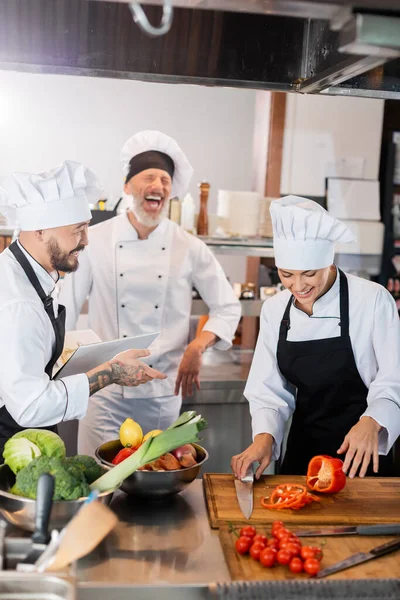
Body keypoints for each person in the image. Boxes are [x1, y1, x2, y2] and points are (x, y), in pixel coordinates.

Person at [59, 131, 241, 455]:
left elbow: (228, 306)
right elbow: (65, 309)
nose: (158, 185)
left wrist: (198, 346)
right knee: (97, 483)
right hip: (105, 393)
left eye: (164, 178)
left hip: (162, 391)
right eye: (148, 176)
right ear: (128, 186)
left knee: (157, 481)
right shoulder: (94, 240)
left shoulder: (189, 246)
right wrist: (60, 371)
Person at [0, 160, 166, 458]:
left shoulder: (28, 273)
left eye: (87, 228)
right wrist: (111, 372)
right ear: (39, 230)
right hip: (10, 445)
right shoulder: (19, 303)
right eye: (78, 231)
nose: (86, 241)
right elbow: (30, 406)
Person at [232, 195, 400, 480]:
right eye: (286, 275)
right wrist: (264, 436)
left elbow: (394, 375)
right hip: (304, 449)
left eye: (309, 274)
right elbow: (268, 388)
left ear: (329, 263)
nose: (298, 286)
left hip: (364, 448)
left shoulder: (372, 299)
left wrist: (374, 420)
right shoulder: (275, 309)